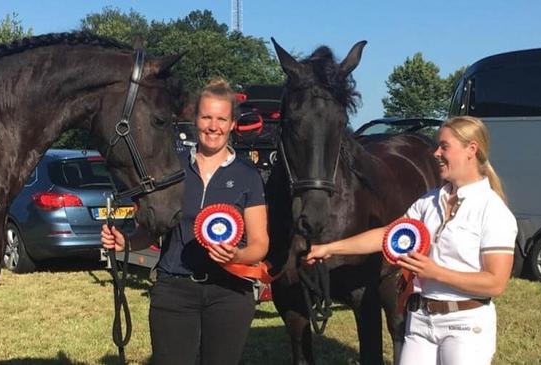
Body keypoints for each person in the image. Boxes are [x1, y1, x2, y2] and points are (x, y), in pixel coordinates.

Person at [305, 116, 517, 365]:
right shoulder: (429, 201)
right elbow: (387, 234)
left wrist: (435, 272)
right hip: (420, 322)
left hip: (465, 326)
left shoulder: (493, 211)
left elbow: (495, 283)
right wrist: (330, 248)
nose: (435, 152)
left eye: (444, 146)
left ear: (471, 149)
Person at [101, 78, 269, 365]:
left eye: (221, 119)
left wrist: (238, 254)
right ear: (195, 119)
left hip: (229, 291)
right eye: (206, 117)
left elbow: (260, 244)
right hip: (174, 288)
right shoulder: (171, 167)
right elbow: (152, 230)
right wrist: (126, 241)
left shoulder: (247, 175)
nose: (213, 126)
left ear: (231, 124)